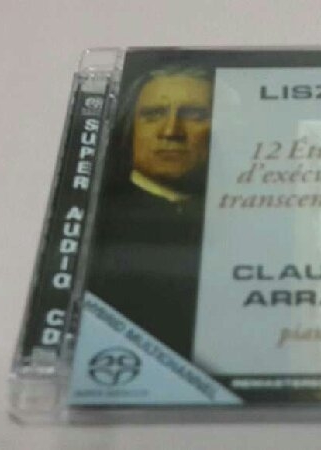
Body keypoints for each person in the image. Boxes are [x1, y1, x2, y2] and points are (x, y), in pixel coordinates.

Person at [87, 67, 213, 360]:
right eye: (153, 114)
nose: (171, 132)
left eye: (194, 115)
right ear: (130, 129)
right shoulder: (99, 223)